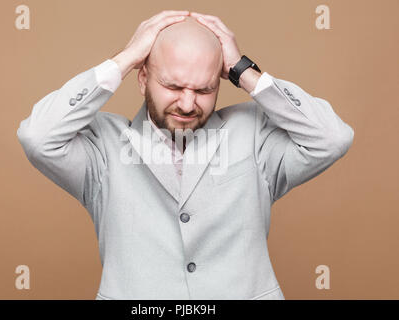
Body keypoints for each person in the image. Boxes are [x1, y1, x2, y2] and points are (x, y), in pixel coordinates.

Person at [17, 10, 354, 300]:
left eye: (204, 90)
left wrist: (243, 69)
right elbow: (37, 136)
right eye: (174, 87)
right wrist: (125, 58)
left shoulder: (254, 135)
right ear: (143, 77)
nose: (188, 104)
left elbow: (332, 138)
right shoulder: (103, 147)